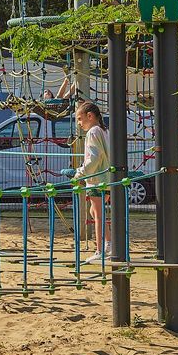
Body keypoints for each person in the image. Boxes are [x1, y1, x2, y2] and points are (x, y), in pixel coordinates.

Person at [63, 101, 111, 264]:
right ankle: (108, 243)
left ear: (89, 116)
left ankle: (101, 249)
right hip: (106, 179)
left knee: (97, 214)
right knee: (94, 212)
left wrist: (79, 174)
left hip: (97, 180)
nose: (78, 123)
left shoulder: (92, 132)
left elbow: (94, 158)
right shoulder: (105, 131)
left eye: (79, 118)